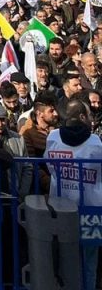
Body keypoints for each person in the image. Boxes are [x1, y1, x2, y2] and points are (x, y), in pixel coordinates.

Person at [45, 100, 102, 289]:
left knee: (65, 258)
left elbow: (49, 166)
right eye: (89, 115)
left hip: (61, 205)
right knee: (89, 261)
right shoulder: (95, 142)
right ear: (82, 117)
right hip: (90, 210)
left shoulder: (52, 137)